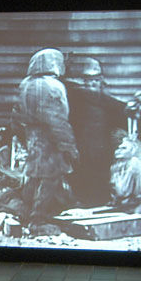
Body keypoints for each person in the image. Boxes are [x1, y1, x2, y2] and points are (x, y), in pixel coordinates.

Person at [13, 48, 77, 234]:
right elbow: (57, 119)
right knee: (50, 177)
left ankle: (26, 214)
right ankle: (37, 220)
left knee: (34, 177)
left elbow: (15, 116)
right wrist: (69, 146)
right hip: (50, 140)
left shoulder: (25, 84)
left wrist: (23, 137)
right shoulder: (53, 86)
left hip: (32, 138)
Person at [65, 56, 126, 206]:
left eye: (96, 80)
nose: (92, 83)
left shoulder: (106, 101)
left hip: (102, 149)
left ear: (101, 82)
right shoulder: (77, 98)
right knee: (82, 179)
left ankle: (100, 204)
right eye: (88, 80)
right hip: (81, 148)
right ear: (83, 82)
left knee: (100, 181)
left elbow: (119, 119)